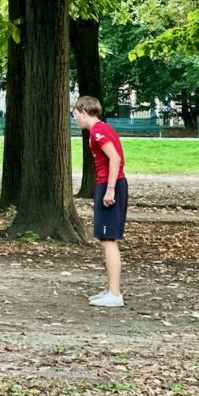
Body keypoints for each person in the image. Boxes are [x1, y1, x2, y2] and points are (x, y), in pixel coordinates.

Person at [72, 95, 128, 308]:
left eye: (76, 114)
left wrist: (110, 189)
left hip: (109, 185)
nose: (75, 118)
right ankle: (111, 289)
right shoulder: (102, 129)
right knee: (106, 238)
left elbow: (114, 158)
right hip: (107, 184)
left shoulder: (97, 131)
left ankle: (114, 294)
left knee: (108, 239)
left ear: (85, 112)